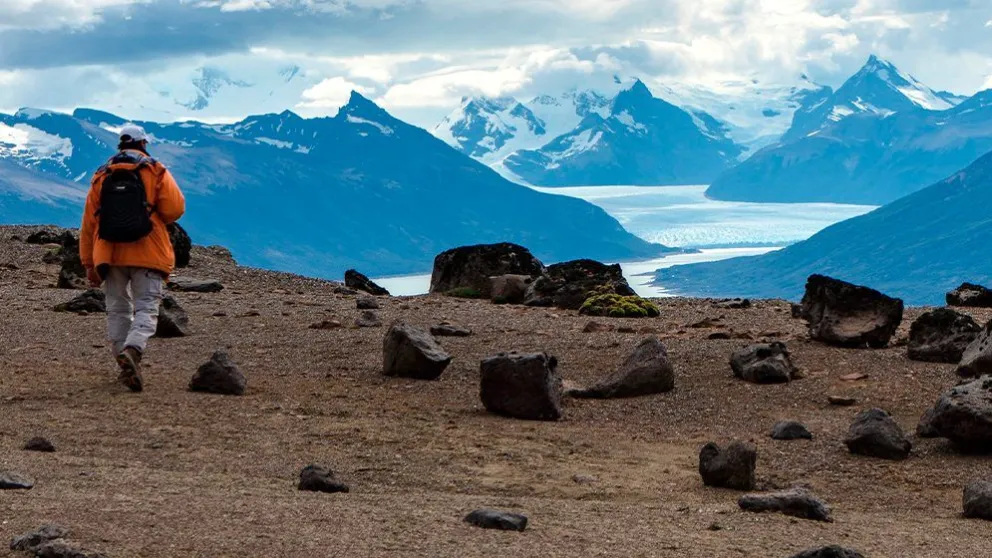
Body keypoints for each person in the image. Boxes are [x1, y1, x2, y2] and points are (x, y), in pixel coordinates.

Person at [79, 124, 186, 392]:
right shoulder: (154, 170)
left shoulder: (102, 174)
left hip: (109, 253)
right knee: (147, 307)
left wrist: (88, 264)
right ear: (143, 144)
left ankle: (123, 363)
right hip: (147, 251)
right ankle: (134, 349)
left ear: (120, 144)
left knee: (117, 309)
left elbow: (89, 224)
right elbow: (175, 209)